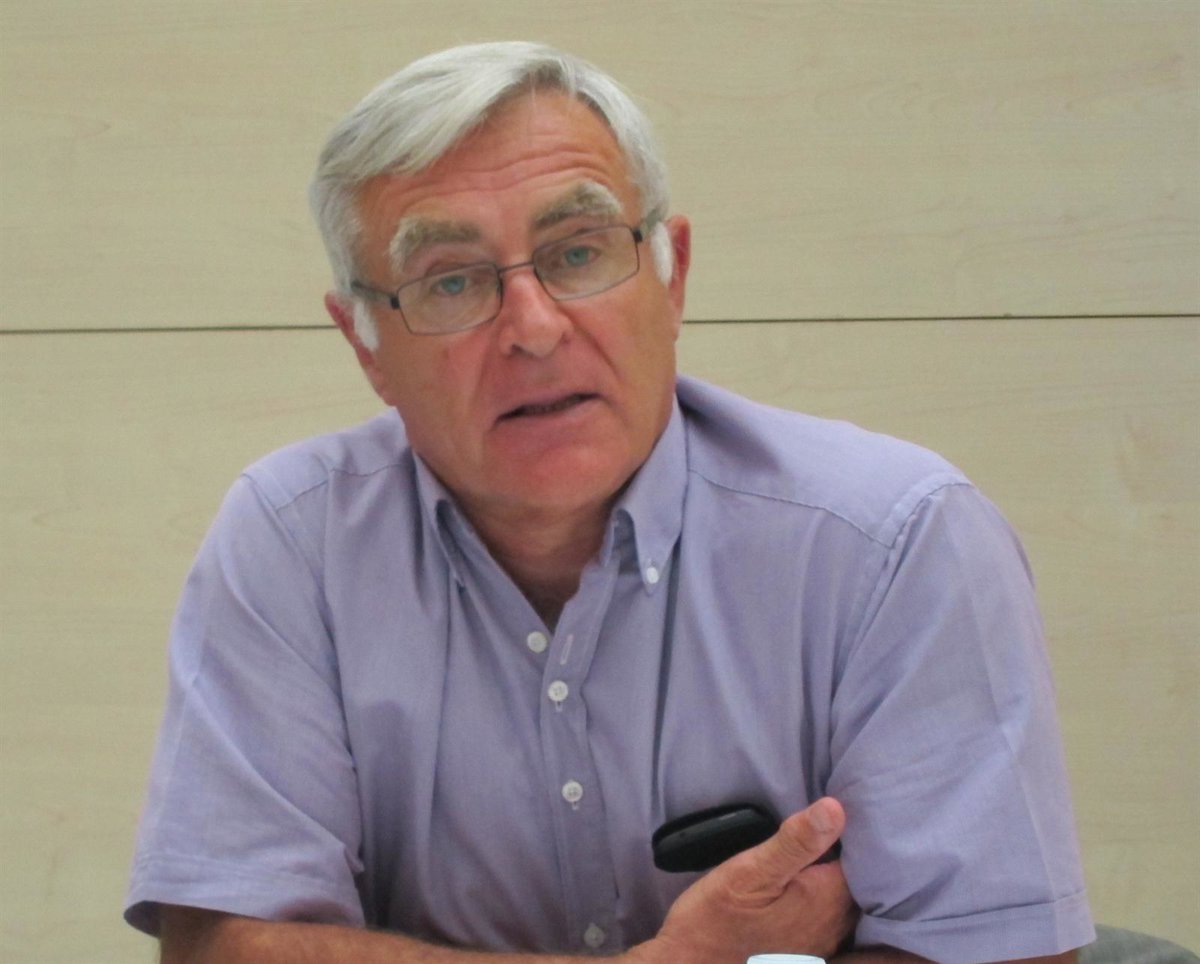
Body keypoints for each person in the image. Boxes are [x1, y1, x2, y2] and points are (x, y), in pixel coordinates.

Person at [125, 41, 1095, 963]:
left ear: (673, 279)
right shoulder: (293, 543)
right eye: (451, 281)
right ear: (365, 344)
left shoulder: (894, 541)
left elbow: (1008, 952)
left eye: (579, 253)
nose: (534, 327)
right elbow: (220, 947)